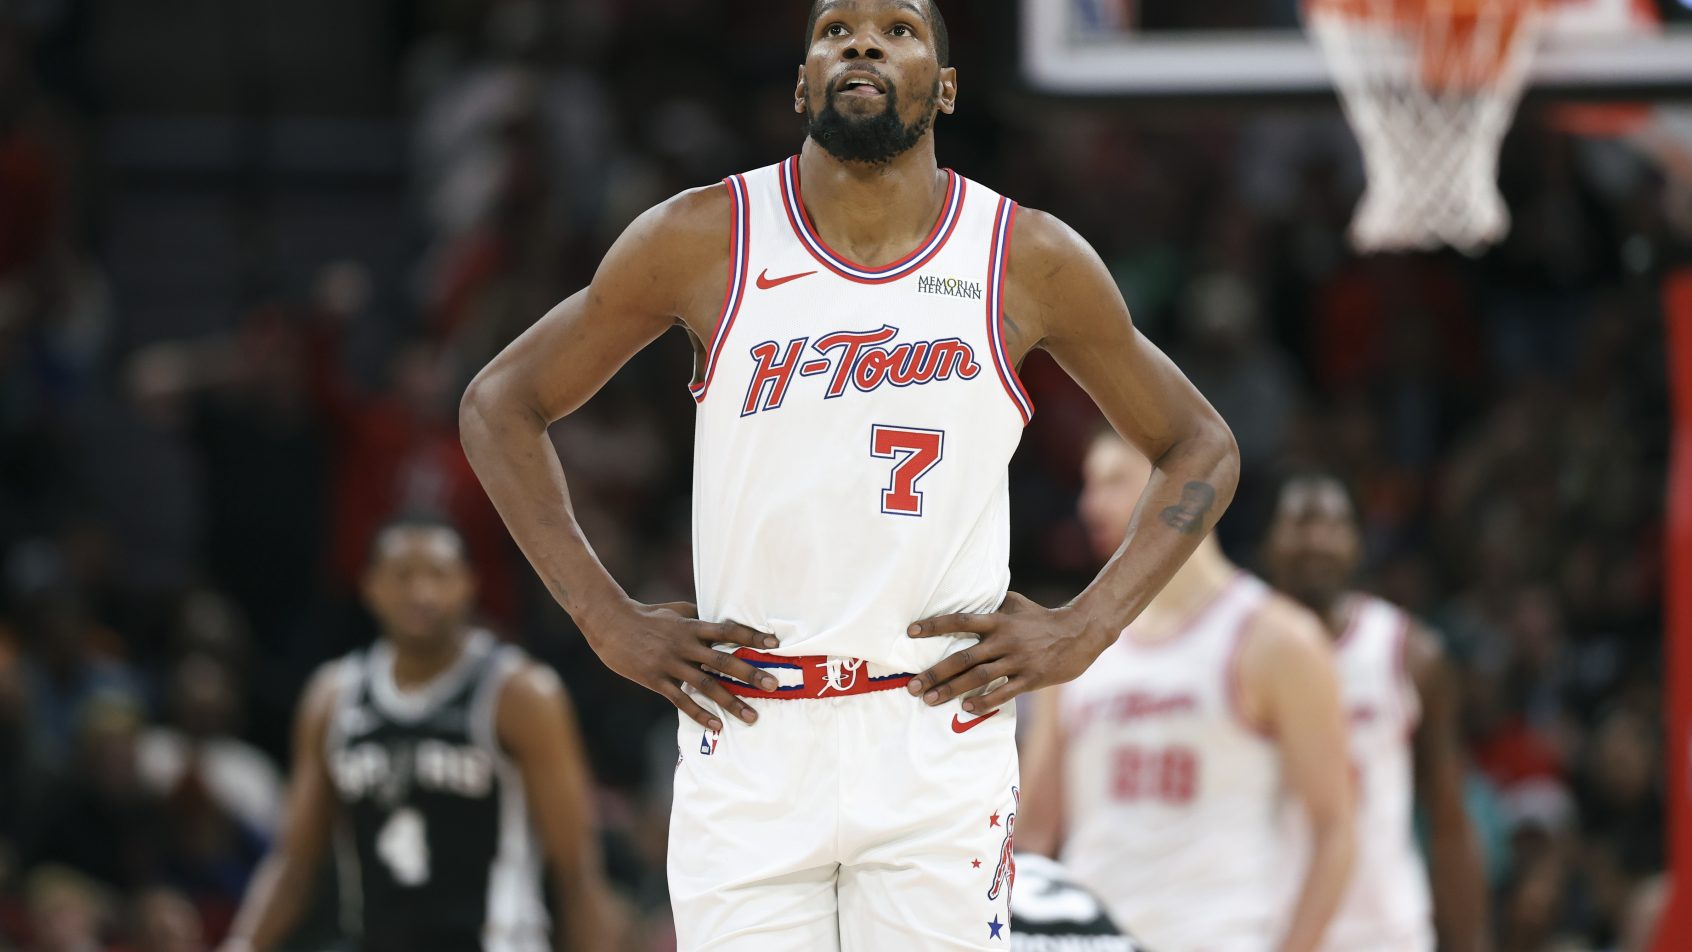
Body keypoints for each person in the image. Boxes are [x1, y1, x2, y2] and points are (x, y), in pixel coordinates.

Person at [458, 1, 1240, 946]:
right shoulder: (704, 236)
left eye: (899, 29)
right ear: (800, 84)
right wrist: (603, 618)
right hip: (751, 732)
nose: (862, 42)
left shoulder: (1024, 257)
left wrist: (1086, 630)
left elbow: (1201, 444)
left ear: (946, 89)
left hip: (933, 732)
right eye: (834, 30)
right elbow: (500, 404)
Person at [218, 513, 616, 952]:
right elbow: (294, 863)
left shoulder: (520, 694)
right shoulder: (333, 697)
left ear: (468, 584)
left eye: (438, 575)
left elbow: (577, 868)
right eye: (403, 575)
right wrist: (240, 944)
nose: (421, 593)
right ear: (370, 585)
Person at [1018, 433, 1354, 952]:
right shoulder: (1072, 640)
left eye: (1112, 481)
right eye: (1087, 485)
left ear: (1176, 483)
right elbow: (1033, 834)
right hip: (1091, 939)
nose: (1090, 505)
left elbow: (1335, 832)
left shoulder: (1278, 638)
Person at [1263, 473, 1490, 952]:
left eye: (1334, 524)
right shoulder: (1236, 647)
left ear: (1357, 544)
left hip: (1386, 933)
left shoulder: (1410, 653)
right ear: (1270, 542)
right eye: (1302, 522)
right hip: (1267, 927)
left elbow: (1449, 819)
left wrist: (1472, 940)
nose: (1317, 540)